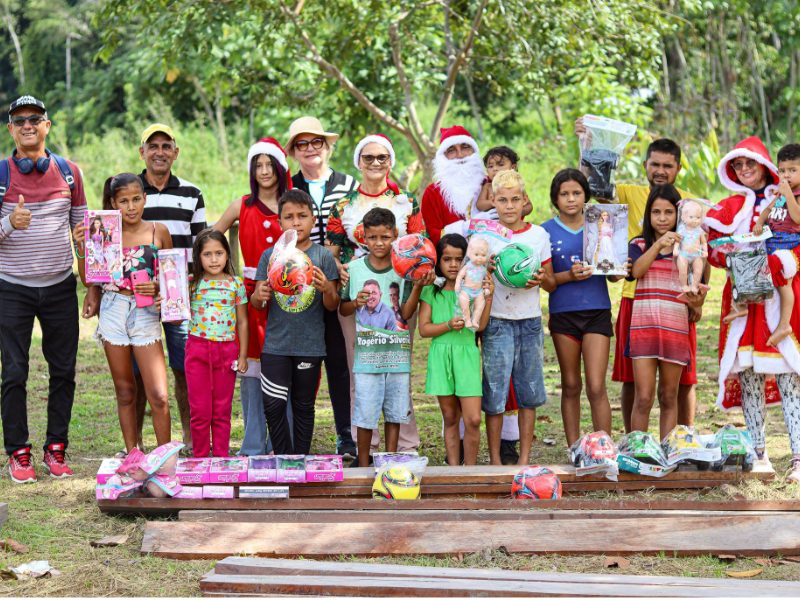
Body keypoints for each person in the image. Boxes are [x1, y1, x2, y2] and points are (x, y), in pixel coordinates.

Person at [575, 121, 704, 431]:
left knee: (682, 383)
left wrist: (698, 301)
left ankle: (680, 442)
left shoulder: (690, 204)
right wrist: (587, 145)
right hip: (636, 301)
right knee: (633, 380)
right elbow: (592, 183)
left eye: (667, 165)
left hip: (678, 302)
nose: (660, 170)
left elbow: (703, 258)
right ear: (645, 164)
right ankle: (636, 441)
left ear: (678, 167)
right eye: (654, 164)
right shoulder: (628, 193)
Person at [0, 95, 86, 482]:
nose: (28, 125)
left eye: (35, 119)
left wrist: (93, 283)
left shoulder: (70, 173)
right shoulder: (1, 175)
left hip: (60, 287)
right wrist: (8, 225)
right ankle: (18, 453)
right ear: (11, 130)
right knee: (15, 372)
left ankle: (56, 449)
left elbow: (85, 235)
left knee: (64, 371)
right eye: (20, 121)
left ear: (47, 125)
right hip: (11, 288)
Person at [704, 136, 800, 482]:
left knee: (791, 377)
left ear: (765, 165)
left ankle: (798, 458)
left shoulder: (787, 197)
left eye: (751, 164)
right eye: (738, 165)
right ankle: (759, 453)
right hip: (744, 302)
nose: (744, 170)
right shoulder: (728, 206)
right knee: (749, 378)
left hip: (784, 293)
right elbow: (714, 254)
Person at [327, 133, 425, 453]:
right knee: (361, 370)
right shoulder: (344, 204)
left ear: (391, 162)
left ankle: (406, 444)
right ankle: (364, 443)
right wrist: (338, 270)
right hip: (358, 296)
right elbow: (332, 249)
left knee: (399, 367)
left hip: (398, 293)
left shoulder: (406, 201)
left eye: (382, 157)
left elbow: (420, 246)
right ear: (358, 162)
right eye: (368, 157)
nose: (375, 163)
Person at [75, 173, 173, 455]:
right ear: (112, 203)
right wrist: (81, 247)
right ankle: (133, 454)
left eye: (136, 199)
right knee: (125, 391)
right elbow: (89, 278)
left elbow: (172, 278)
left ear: (145, 198)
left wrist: (157, 286)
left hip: (145, 313)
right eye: (123, 201)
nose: (131, 207)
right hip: (113, 309)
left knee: (159, 395)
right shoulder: (102, 231)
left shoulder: (158, 231)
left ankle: (163, 458)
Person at [127, 123, 207, 454]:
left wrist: (193, 284)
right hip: (137, 297)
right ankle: (137, 444)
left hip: (178, 295)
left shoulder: (191, 193)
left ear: (176, 151)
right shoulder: (130, 192)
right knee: (137, 374)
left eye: (166, 145)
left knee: (182, 368)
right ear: (142, 151)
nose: (159, 151)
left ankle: (188, 436)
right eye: (153, 145)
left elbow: (201, 245)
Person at [214, 137, 290, 456]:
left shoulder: (292, 205)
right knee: (251, 371)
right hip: (250, 295)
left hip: (289, 296)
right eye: (257, 165)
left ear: (280, 167)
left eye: (268, 164)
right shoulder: (241, 205)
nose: (263, 170)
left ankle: (283, 444)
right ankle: (253, 444)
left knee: (283, 370)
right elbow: (212, 237)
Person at [287, 116, 357, 457]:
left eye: (317, 142)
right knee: (301, 365)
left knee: (340, 364)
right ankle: (297, 440)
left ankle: (346, 434)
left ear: (327, 147)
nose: (311, 149)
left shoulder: (348, 184)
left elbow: (356, 231)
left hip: (335, 284)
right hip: (295, 291)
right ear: (294, 151)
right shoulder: (289, 185)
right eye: (303, 144)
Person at [339, 208, 430, 467]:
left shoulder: (405, 270)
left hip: (397, 354)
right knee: (366, 411)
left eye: (385, 237)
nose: (379, 243)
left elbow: (408, 311)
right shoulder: (354, 269)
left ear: (395, 235)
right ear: (363, 238)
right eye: (373, 237)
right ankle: (364, 460)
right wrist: (355, 302)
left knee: (395, 410)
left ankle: (389, 461)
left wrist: (419, 286)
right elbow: (342, 308)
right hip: (367, 357)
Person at [252, 190, 339, 455]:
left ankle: (299, 458)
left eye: (302, 216)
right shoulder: (271, 256)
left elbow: (333, 305)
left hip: (310, 345)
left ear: (313, 220)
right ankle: (283, 456)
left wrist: (326, 288)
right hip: (276, 345)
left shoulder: (322, 256)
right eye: (288, 217)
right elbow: (257, 301)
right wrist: (259, 295)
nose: (296, 222)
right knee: (274, 404)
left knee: (303, 405)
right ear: (280, 223)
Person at [541, 169, 618, 447]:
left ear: (586, 196)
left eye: (576, 193)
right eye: (564, 194)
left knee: (597, 386)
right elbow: (547, 282)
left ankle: (605, 448)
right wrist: (569, 276)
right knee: (571, 385)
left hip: (597, 310)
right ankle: (574, 447)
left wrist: (619, 268)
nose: (571, 199)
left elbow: (614, 273)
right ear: (555, 198)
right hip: (563, 314)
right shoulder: (545, 231)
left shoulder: (602, 225)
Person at [483, 170, 555, 465]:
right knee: (495, 393)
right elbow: (473, 276)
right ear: (493, 201)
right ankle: (496, 462)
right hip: (497, 321)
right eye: (502, 200)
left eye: (515, 199)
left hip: (529, 322)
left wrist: (540, 278)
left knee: (529, 392)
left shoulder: (538, 235)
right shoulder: (485, 234)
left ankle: (525, 459)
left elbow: (551, 282)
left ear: (525, 200)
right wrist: (483, 269)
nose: (509, 206)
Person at [419, 233, 493, 466]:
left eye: (458, 259)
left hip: (467, 355)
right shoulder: (432, 290)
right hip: (441, 356)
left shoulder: (473, 289)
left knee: (472, 419)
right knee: (450, 417)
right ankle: (453, 469)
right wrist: (448, 325)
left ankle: (470, 470)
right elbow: (424, 329)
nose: (453, 265)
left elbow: (480, 325)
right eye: (446, 259)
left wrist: (488, 296)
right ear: (438, 261)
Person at [627, 185, 691, 439]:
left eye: (668, 212)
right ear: (648, 214)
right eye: (656, 212)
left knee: (668, 395)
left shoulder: (686, 247)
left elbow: (699, 281)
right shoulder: (638, 243)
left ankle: (667, 451)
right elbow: (636, 272)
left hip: (675, 330)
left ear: (678, 216)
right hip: (643, 330)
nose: (662, 218)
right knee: (643, 397)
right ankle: (638, 450)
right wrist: (656, 246)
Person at [185, 229, 249, 458]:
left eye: (219, 253)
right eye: (207, 254)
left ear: (227, 254)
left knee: (222, 409)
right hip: (197, 350)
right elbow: (175, 309)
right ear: (198, 257)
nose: (214, 260)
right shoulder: (191, 284)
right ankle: (200, 459)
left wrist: (242, 355)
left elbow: (242, 321)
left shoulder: (236, 284)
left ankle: (221, 458)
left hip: (227, 351)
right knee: (200, 410)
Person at [751, 143, 800, 347]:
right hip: (771, 241)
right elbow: (768, 210)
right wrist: (759, 223)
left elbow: (797, 219)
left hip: (789, 245)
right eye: (782, 170)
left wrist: (788, 193)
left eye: (793, 170)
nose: (786, 175)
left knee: (784, 283)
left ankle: (784, 324)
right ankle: (744, 306)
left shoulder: (795, 195)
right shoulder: (780, 195)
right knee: (750, 267)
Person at [421, 125, 490, 245]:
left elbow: (514, 223)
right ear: (443, 157)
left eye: (465, 147)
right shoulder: (432, 193)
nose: (460, 155)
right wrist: (464, 228)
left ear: (474, 151)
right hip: (452, 261)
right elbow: (432, 236)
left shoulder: (490, 184)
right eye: (452, 150)